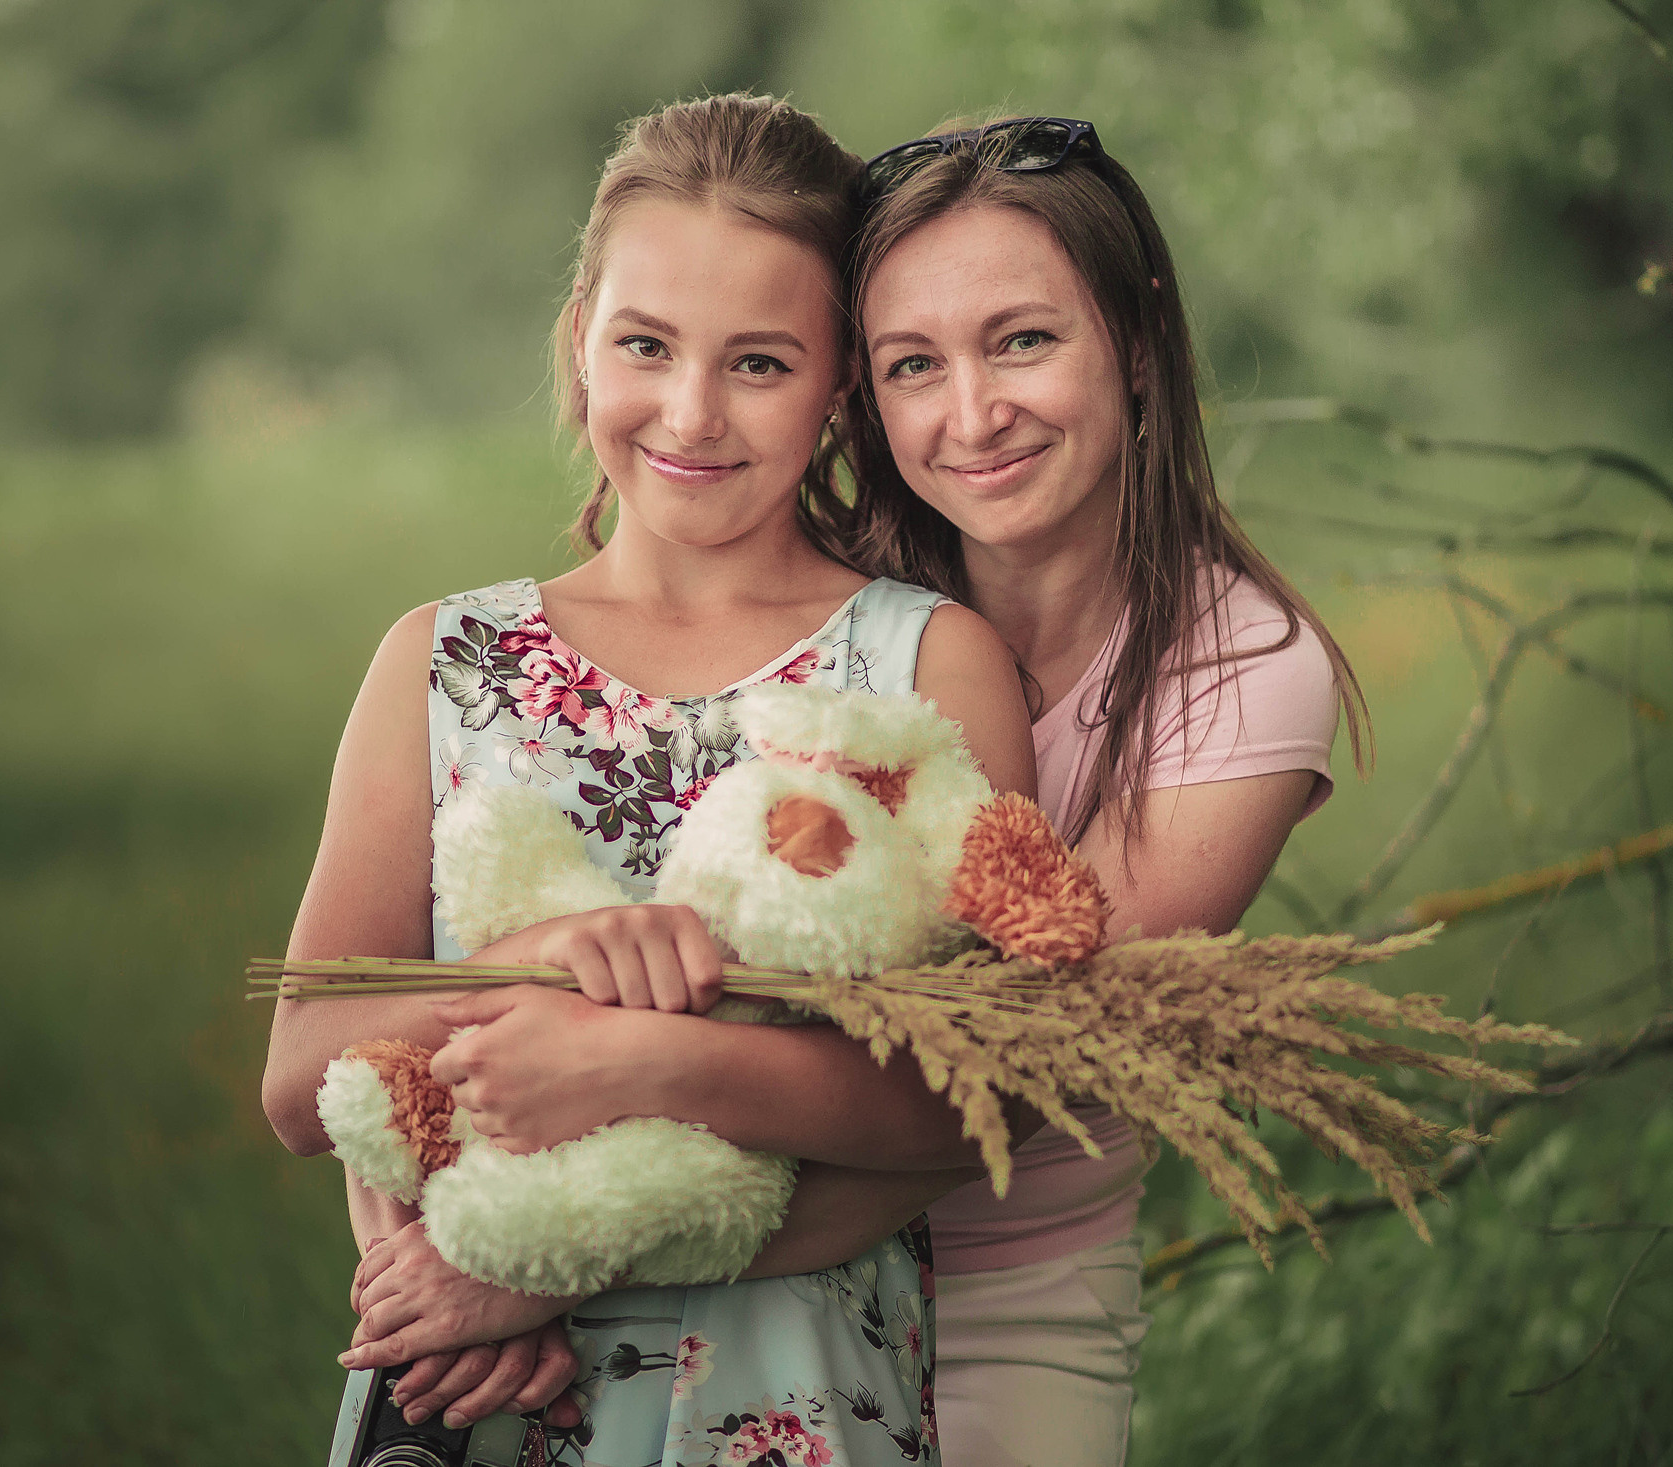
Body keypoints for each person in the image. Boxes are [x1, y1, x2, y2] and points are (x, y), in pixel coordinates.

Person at [260, 94, 1036, 1462]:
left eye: (760, 363)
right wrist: (543, 968)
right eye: (645, 344)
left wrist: (558, 1244)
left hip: (792, 1393)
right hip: (482, 1399)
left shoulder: (923, 669)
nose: (691, 411)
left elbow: (976, 1102)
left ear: (839, 387)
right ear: (580, 341)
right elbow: (300, 1079)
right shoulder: (445, 662)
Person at [832, 116, 1371, 1467]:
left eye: (1022, 341)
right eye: (913, 364)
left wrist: (634, 1194)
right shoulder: (812, 605)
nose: (972, 416)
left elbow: (1011, 1073)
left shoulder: (1245, 667)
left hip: (1011, 1298)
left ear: (1134, 340)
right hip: (728, 1271)